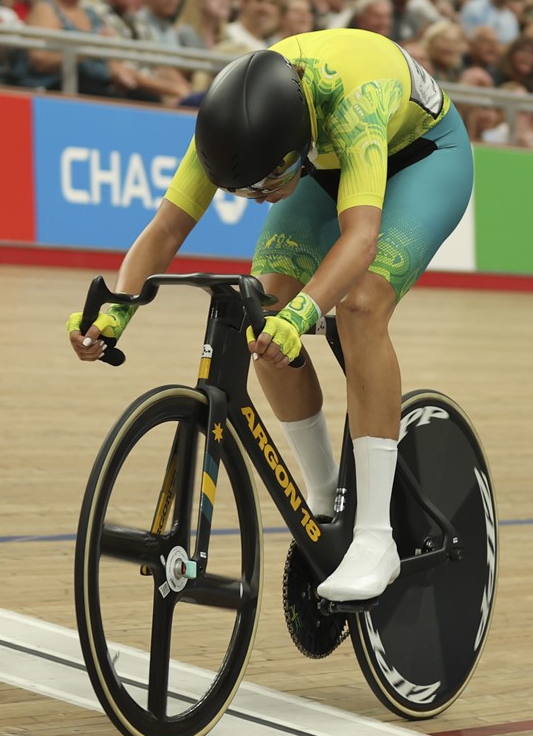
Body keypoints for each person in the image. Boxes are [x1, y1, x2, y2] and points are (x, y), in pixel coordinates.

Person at [66, 31, 476, 602]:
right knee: (262, 305)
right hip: (325, 163)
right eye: (244, 191)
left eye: (261, 188)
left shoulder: (354, 101)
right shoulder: (234, 121)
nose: (257, 200)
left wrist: (308, 310)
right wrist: (117, 308)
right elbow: (166, 228)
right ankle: (326, 492)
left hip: (423, 158)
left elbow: (360, 239)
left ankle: (377, 536)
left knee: (359, 308)